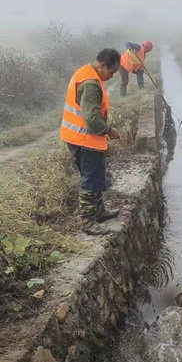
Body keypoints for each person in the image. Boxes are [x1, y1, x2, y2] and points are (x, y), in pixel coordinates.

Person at [59, 48, 122, 235]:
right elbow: (92, 119)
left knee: (96, 177)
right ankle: (87, 222)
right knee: (90, 180)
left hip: (83, 138)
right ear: (102, 65)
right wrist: (110, 131)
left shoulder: (87, 73)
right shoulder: (90, 84)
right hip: (84, 140)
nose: (111, 77)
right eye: (111, 72)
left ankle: (99, 212)